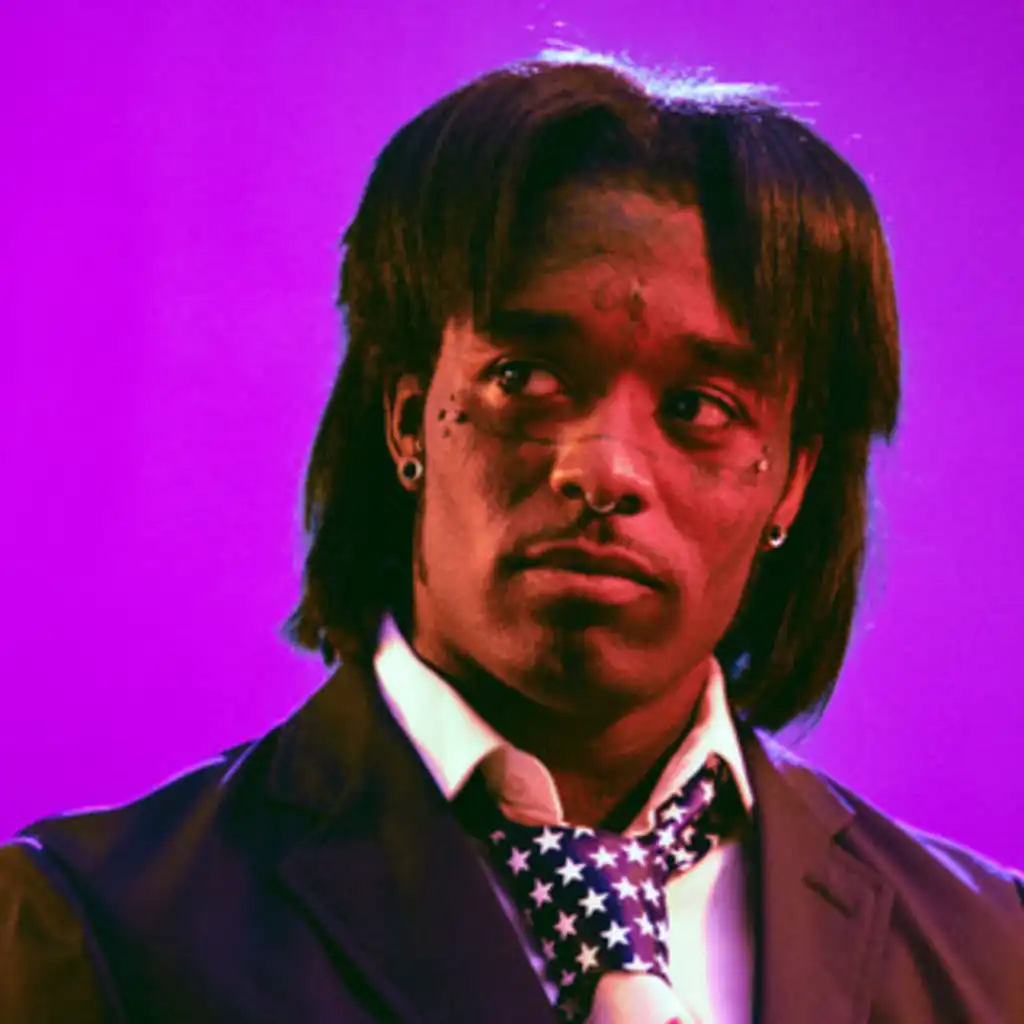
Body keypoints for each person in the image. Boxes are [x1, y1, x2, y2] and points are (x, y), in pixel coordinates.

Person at [1, 49, 1021, 1024]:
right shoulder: (89, 931)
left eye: (700, 407)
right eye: (524, 378)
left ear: (792, 479)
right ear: (408, 418)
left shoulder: (994, 952)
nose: (604, 470)